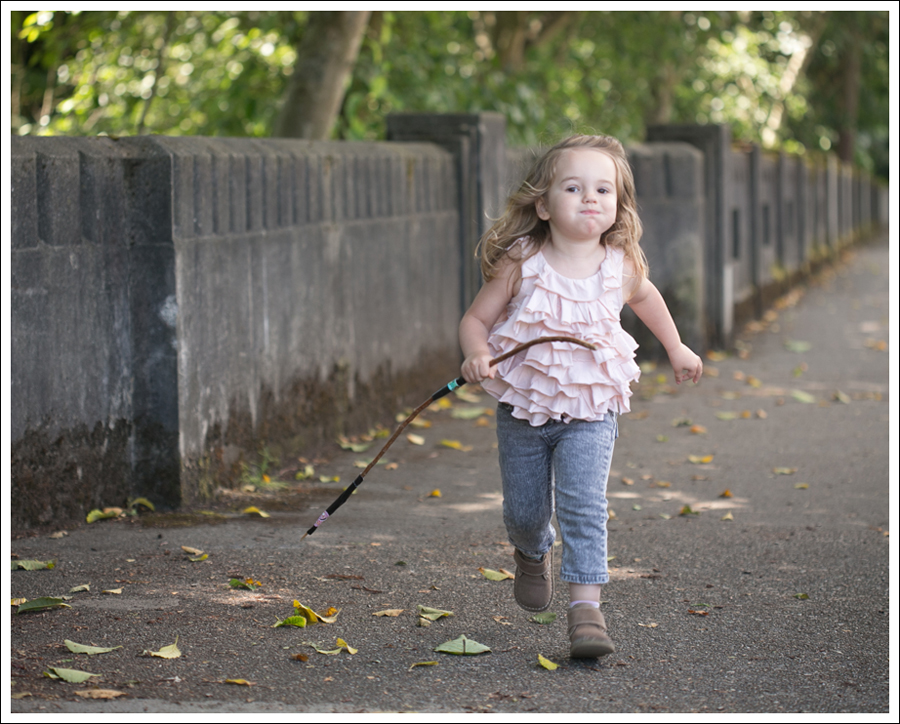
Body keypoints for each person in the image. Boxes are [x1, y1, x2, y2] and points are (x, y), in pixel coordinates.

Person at [459, 134, 703, 659]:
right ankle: (531, 550)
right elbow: (475, 319)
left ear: (618, 205)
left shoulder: (620, 266)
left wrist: (677, 347)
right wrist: (476, 353)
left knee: (584, 506)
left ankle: (586, 609)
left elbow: (650, 303)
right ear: (543, 204)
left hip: (591, 414)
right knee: (525, 511)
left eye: (603, 190)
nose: (590, 198)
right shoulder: (522, 261)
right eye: (573, 188)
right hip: (523, 411)